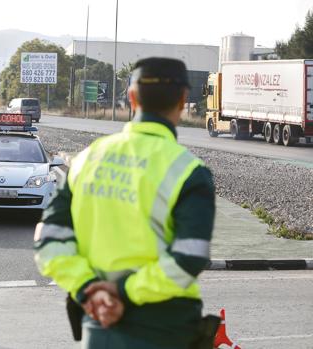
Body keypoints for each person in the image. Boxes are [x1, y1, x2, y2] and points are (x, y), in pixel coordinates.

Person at [33, 57, 215, 348]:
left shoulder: (86, 160)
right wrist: (125, 293)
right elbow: (189, 259)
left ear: (131, 97)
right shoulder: (190, 173)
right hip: (166, 329)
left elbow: (49, 240)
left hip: (99, 327)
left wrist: (89, 291)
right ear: (183, 100)